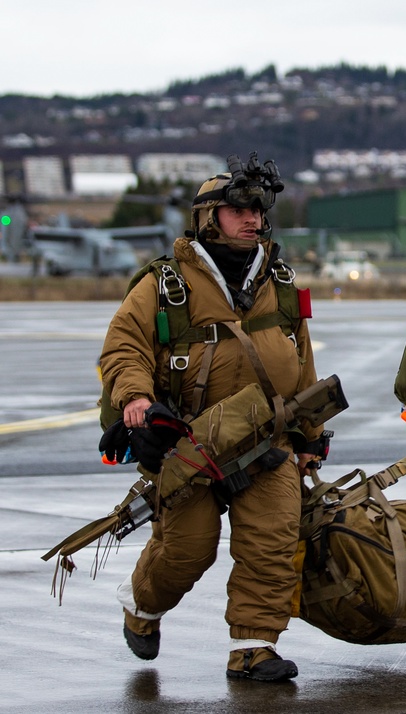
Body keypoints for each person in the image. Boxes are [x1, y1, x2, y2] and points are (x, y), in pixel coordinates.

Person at [99, 153, 326, 681]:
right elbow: (122, 347)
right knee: (187, 548)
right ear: (208, 217)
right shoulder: (165, 283)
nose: (253, 218)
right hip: (189, 443)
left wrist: (310, 437)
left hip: (267, 439)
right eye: (239, 209)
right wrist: (135, 399)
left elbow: (301, 359)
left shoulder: (282, 283)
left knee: (271, 543)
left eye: (259, 209)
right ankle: (141, 608)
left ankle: (253, 648)